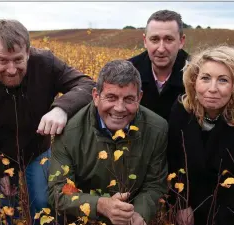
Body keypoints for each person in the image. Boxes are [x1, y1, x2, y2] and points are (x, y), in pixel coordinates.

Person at [0, 19, 95, 218]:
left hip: (37, 150)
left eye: (18, 59)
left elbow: (86, 85)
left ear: (28, 53)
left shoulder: (46, 63)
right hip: (0, 154)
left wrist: (62, 108)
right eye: (3, 60)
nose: (12, 69)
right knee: (5, 208)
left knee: (43, 204)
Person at [48, 60, 168, 225]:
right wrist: (100, 205)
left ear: (139, 98)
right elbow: (58, 190)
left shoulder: (157, 129)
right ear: (96, 96)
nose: (119, 108)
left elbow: (154, 184)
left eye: (128, 99)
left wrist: (139, 214)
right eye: (111, 97)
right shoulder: (69, 132)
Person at [167, 46, 234, 225]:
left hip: (229, 215)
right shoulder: (181, 112)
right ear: (194, 81)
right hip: (186, 214)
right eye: (205, 78)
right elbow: (174, 163)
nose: (212, 88)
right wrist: (181, 205)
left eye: (223, 80)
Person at [129, 10, 189, 121]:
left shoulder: (197, 73)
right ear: (145, 41)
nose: (161, 49)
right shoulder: (128, 70)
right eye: (155, 39)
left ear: (181, 41)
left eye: (169, 39)